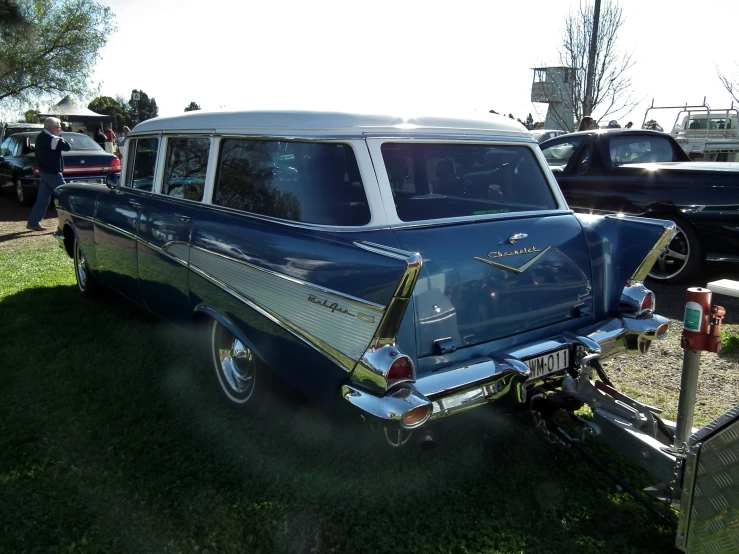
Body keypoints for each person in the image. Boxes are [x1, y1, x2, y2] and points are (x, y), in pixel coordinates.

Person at [26, 117, 71, 232]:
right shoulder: (51, 138)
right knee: (66, 195)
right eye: (59, 126)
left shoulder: (41, 137)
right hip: (52, 172)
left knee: (43, 198)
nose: (60, 129)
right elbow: (67, 146)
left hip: (44, 171)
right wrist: (59, 137)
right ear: (53, 128)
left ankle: (33, 222)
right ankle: (70, 223)